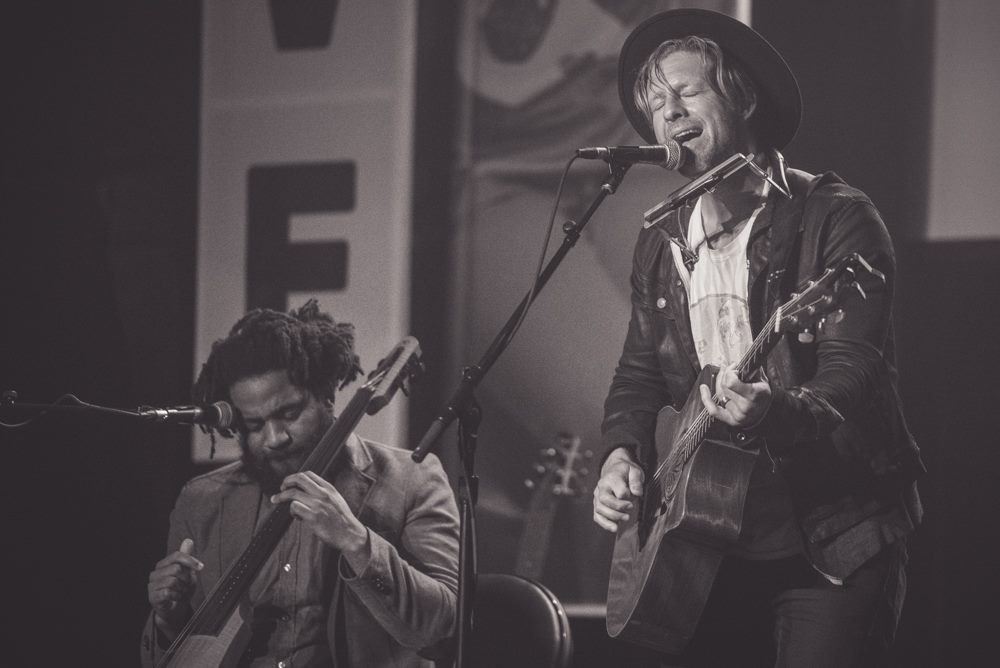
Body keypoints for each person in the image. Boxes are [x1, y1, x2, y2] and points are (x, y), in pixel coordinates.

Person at [592, 9, 923, 667]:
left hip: (832, 532)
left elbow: (851, 372)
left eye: (687, 91)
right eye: (656, 102)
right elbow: (638, 375)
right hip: (708, 541)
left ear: (742, 97)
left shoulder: (833, 216)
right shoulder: (662, 243)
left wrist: (773, 411)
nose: (669, 110)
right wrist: (621, 455)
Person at [141, 300, 459, 668]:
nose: (274, 438)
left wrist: (356, 541)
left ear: (326, 397)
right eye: (255, 425)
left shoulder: (413, 479)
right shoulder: (202, 501)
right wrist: (169, 620)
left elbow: (443, 631)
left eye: (289, 414)